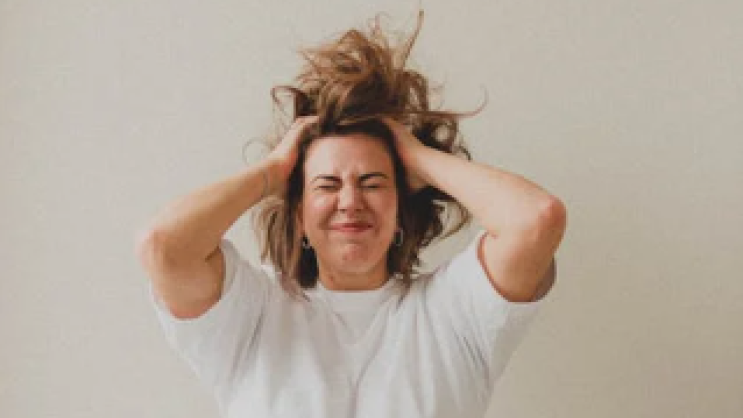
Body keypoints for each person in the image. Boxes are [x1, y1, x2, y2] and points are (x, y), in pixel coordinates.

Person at [136, 11, 566, 418]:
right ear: (299, 214)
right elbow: (164, 246)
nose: (350, 201)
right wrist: (273, 171)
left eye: (372, 183)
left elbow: (536, 220)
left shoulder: (452, 313)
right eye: (327, 184)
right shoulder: (253, 313)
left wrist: (417, 157)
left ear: (401, 207)